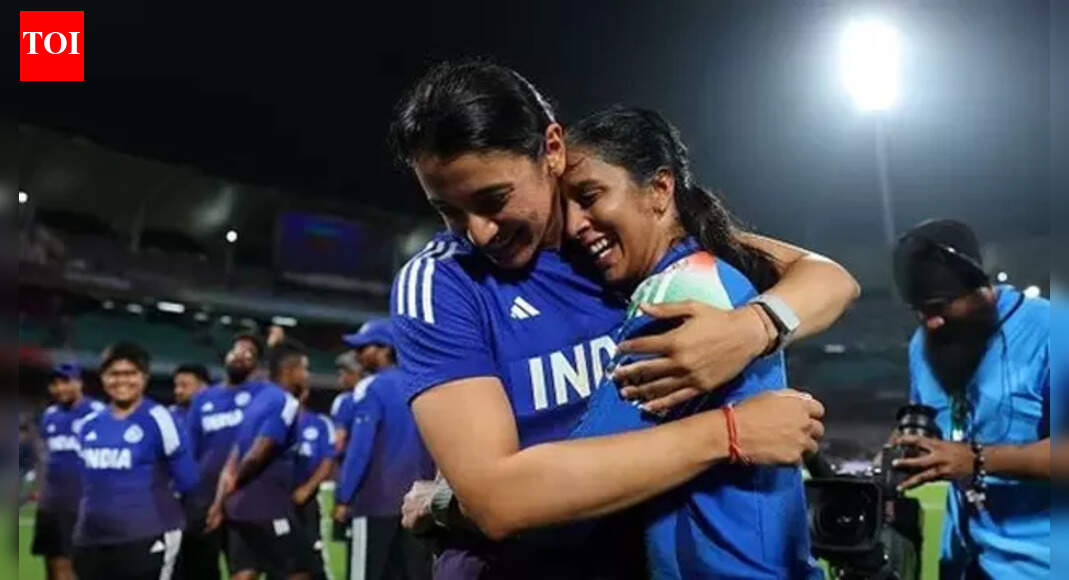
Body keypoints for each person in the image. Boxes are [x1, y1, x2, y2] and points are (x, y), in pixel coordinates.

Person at [388, 60, 856, 578]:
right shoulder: (442, 282)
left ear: (552, 150)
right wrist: (728, 433)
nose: (477, 232)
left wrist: (752, 328)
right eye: (448, 211)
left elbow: (828, 277)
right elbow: (501, 502)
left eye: (493, 199)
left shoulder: (621, 248)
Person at [891, 219, 1051, 579]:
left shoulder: (1051, 331)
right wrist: (902, 450)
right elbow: (929, 420)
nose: (930, 322)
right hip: (963, 561)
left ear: (979, 287)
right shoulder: (925, 343)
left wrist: (976, 460)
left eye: (939, 305)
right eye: (918, 309)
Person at [71, 342, 198, 580]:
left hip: (147, 537)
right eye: (114, 374)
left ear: (145, 377)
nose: (122, 381)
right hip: (91, 540)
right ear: (102, 378)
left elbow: (188, 481)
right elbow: (86, 485)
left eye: (130, 373)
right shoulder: (88, 424)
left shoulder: (161, 419)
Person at [207, 339, 321, 580]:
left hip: (238, 510)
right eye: (305, 369)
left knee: (245, 572)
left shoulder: (257, 399)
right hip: (268, 508)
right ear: (291, 370)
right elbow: (256, 455)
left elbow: (233, 457)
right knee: (304, 571)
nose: (307, 376)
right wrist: (236, 483)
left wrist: (221, 502)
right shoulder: (285, 402)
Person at [334, 318, 435, 580]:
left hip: (375, 502)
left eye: (363, 348)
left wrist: (344, 496)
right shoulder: (422, 382)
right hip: (419, 504)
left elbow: (360, 448)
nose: (357, 355)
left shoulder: (371, 386)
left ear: (385, 349)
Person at [177, 333, 270, 580]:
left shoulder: (265, 395)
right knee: (199, 570)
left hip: (247, 494)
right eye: (236, 350)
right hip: (205, 497)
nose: (240, 355)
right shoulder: (203, 399)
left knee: (245, 571)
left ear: (256, 364)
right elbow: (191, 449)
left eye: (249, 353)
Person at [31, 363, 105, 580]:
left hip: (81, 502)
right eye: (54, 383)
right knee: (51, 566)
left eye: (65, 382)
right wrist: (41, 491)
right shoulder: (50, 415)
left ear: (79, 383)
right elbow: (44, 457)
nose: (59, 388)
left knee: (72, 566)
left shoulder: (97, 413)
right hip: (51, 503)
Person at [294, 369, 338, 580]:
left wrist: (307, 489)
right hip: (276, 500)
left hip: (307, 500)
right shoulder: (273, 422)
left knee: (312, 557)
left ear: (304, 394)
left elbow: (327, 460)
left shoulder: (319, 423)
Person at [330, 350, 363, 455]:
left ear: (354, 373)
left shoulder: (345, 400)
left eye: (342, 373)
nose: (341, 378)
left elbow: (339, 441)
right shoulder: (378, 394)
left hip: (350, 457)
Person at [170, 363, 210, 432]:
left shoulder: (218, 414)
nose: (178, 391)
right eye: (176, 385)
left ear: (203, 386)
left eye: (184, 385)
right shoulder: (168, 415)